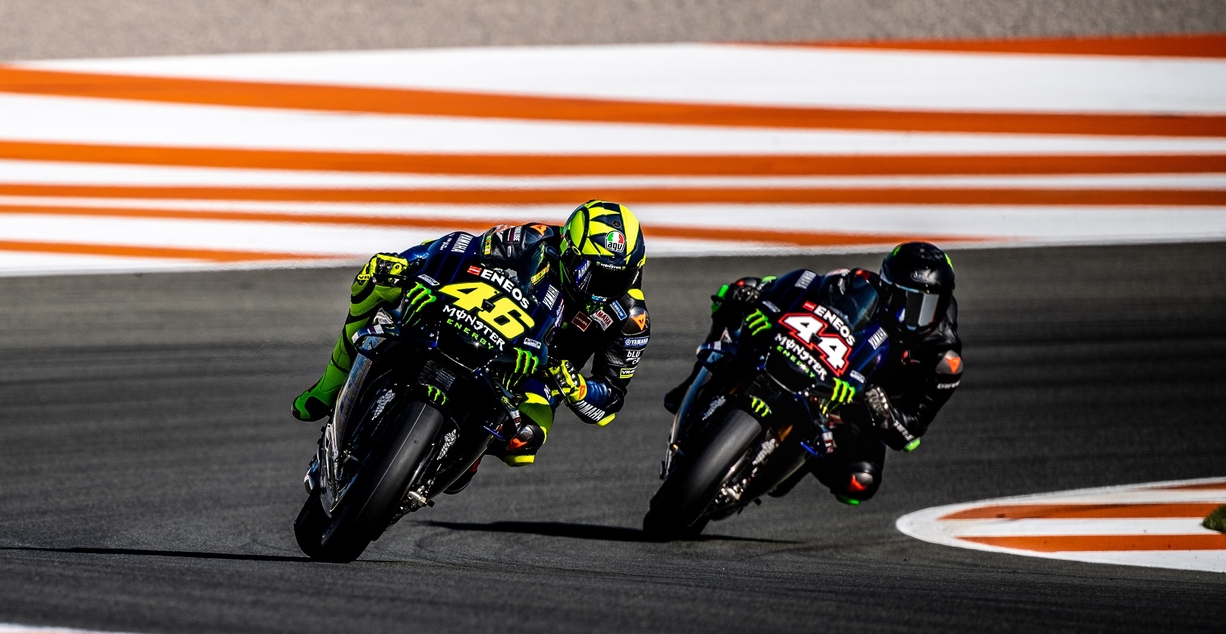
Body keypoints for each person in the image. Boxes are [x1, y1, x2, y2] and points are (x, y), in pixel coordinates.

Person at [293, 200, 651, 473]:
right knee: (376, 280)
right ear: (570, 252)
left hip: (538, 373)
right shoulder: (537, 239)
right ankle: (329, 386)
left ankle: (455, 458)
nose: (605, 288)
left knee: (524, 441)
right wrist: (410, 265)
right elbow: (462, 248)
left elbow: (610, 399)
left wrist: (577, 388)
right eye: (596, 275)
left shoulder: (631, 318)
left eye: (619, 277)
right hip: (481, 320)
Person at [663, 241, 962, 505]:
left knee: (859, 482)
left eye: (922, 306)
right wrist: (762, 294)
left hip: (858, 412)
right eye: (898, 300)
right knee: (741, 288)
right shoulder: (859, 283)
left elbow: (910, 434)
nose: (906, 317)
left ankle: (791, 465)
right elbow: (811, 287)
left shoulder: (943, 360)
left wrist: (884, 413)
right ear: (885, 286)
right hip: (818, 362)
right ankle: (692, 384)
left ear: (942, 302)